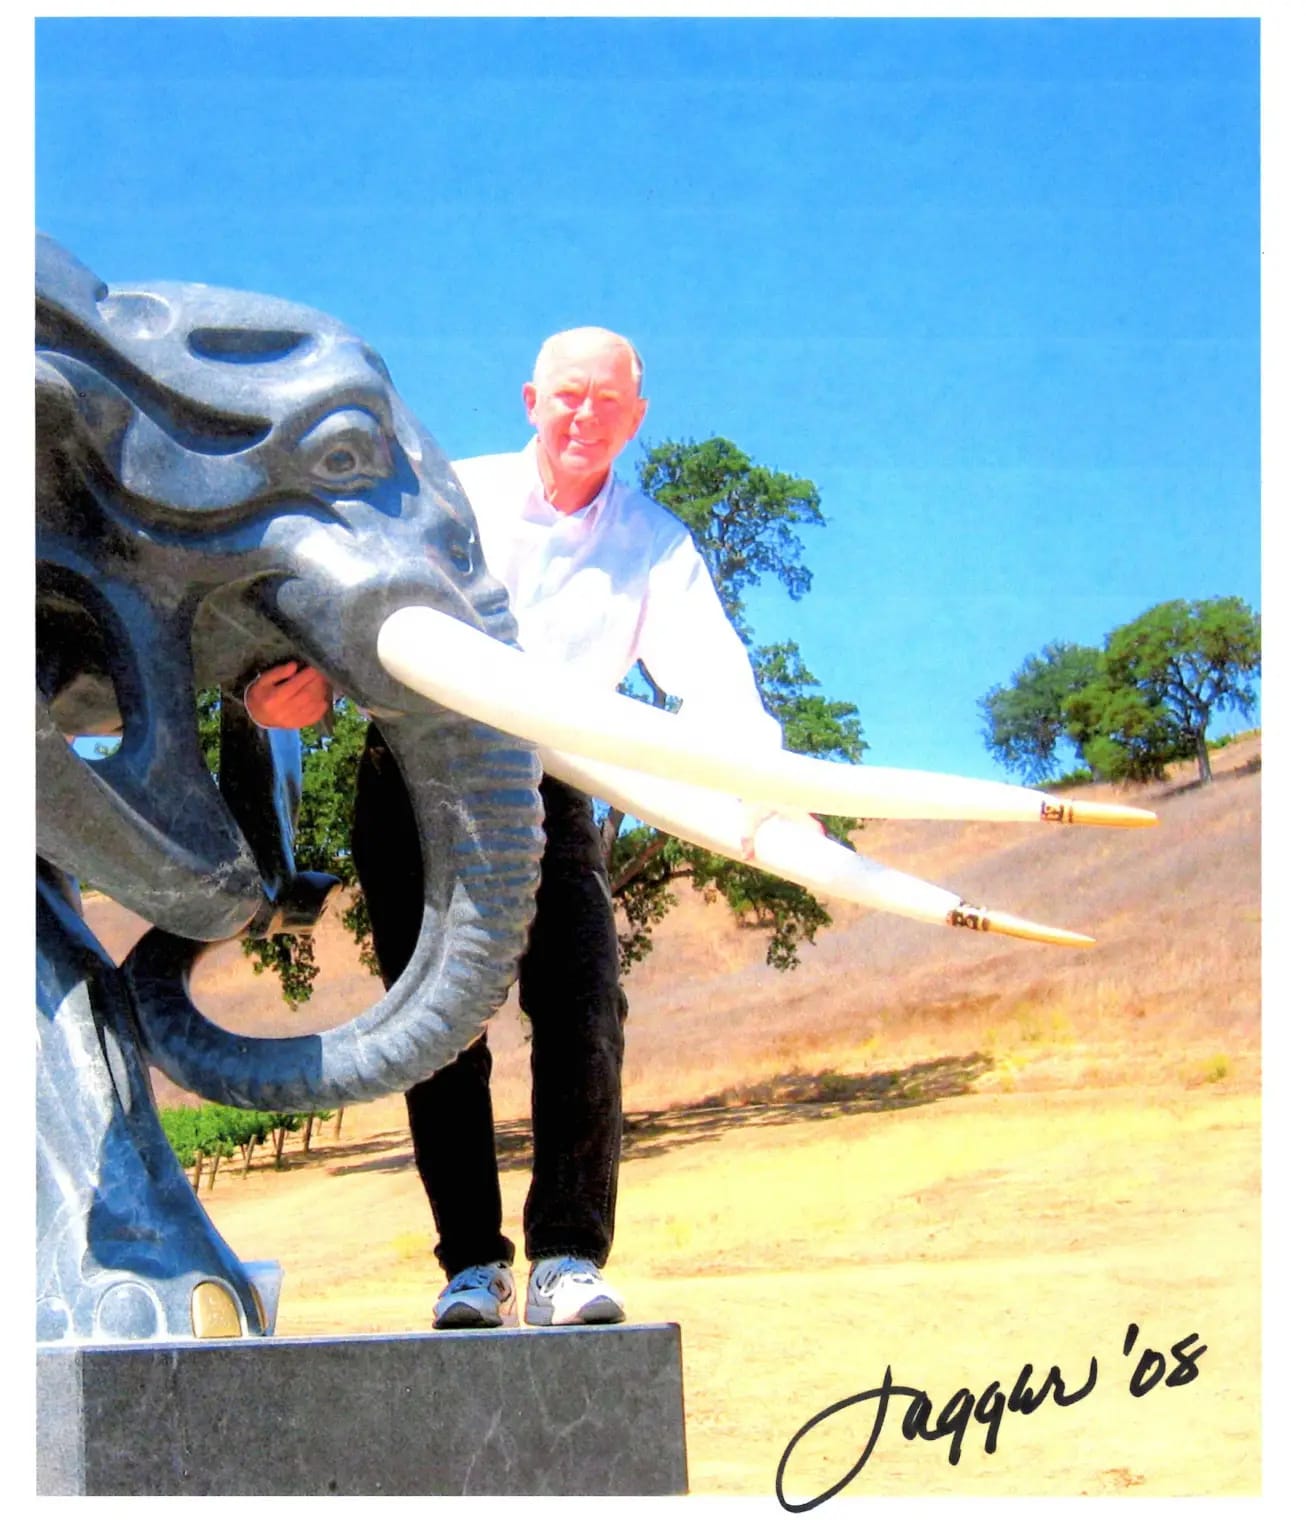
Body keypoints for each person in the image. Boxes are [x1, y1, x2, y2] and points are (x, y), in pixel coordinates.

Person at [246, 328, 783, 1328]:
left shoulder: (654, 542)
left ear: (637, 416)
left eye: (608, 403)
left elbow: (712, 677)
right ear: (532, 398)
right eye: (569, 397)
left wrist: (760, 781)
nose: (586, 418)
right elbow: (337, 620)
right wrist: (295, 691)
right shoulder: (450, 496)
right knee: (437, 1025)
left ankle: (568, 1260)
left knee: (584, 1007)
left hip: (548, 781)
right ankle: (472, 1267)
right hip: (408, 774)